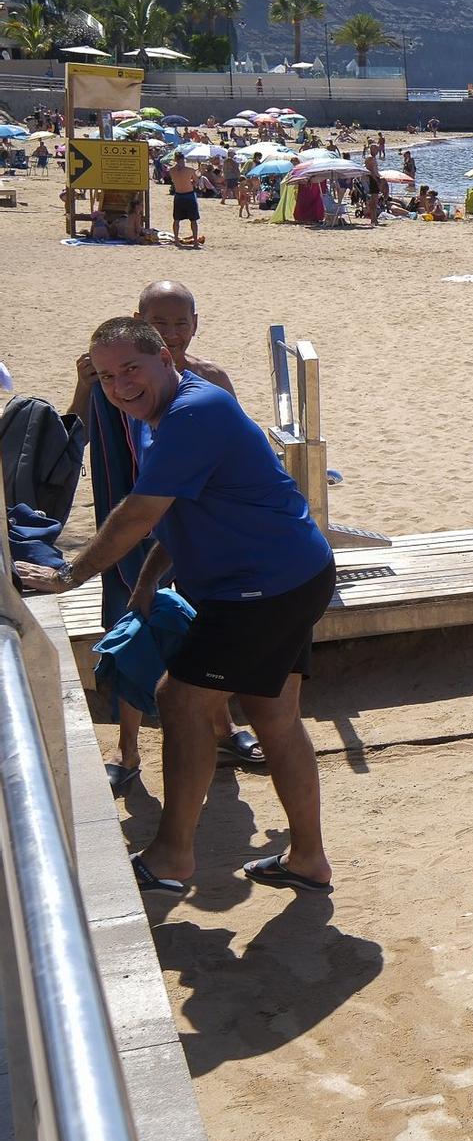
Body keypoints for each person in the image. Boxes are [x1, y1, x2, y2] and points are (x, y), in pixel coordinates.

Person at [18, 318, 336, 896]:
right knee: (273, 717)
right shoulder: (156, 416)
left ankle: (171, 857)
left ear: (166, 357)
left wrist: (70, 574)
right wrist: (143, 589)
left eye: (130, 369)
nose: (119, 385)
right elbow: (181, 510)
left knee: (181, 699)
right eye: (107, 375)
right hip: (292, 573)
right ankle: (308, 858)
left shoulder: (194, 410)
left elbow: (140, 512)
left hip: (260, 586)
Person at [65, 282, 262, 790]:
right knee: (130, 630)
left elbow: (237, 451)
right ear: (140, 322)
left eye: (181, 323)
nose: (171, 334)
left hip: (196, 531)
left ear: (196, 323)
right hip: (126, 522)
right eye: (160, 323)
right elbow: (76, 434)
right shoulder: (114, 382)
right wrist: (85, 385)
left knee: (205, 628)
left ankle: (224, 727)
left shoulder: (211, 380)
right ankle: (128, 750)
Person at [166, 153, 202, 248]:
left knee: (176, 219)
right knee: (193, 220)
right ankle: (195, 242)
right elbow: (197, 181)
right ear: (183, 159)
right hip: (189, 195)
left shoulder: (172, 170)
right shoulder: (189, 170)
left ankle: (177, 241)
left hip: (178, 195)